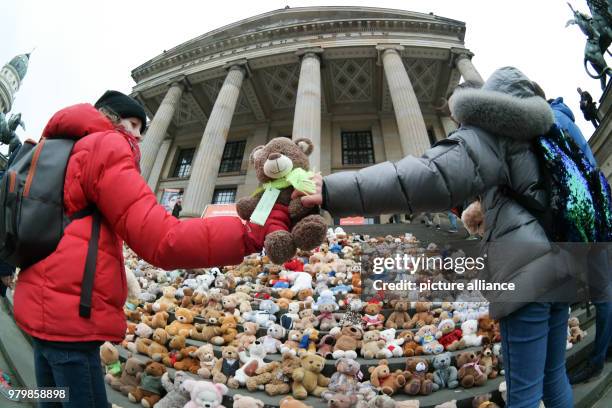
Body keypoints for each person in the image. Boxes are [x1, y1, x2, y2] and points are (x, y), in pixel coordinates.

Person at [297, 67, 575, 408]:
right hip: (564, 265)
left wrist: (330, 189)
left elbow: (424, 177)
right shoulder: (551, 131)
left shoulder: (497, 127)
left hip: (526, 273)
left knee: (524, 393)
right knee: (554, 375)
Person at [11, 90, 289, 408]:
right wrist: (246, 234)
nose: (139, 138)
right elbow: (162, 240)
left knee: (51, 398)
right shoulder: (105, 145)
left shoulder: (57, 146)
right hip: (71, 320)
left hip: (38, 309)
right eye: (133, 125)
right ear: (110, 118)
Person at [548, 92, 612, 384]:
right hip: (595, 208)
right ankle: (605, 350)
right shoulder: (564, 117)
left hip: (584, 214)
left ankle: (598, 359)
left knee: (601, 294)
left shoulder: (553, 120)